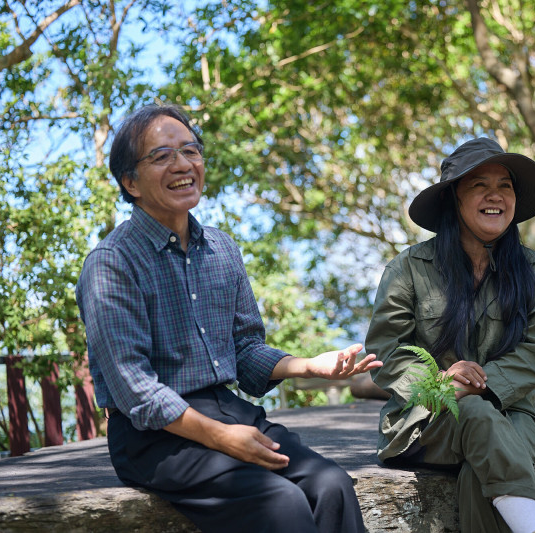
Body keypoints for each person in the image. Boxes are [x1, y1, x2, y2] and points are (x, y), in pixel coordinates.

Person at [75, 103, 381, 533]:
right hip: (153, 439)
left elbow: (245, 351)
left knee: (331, 485)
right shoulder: (111, 263)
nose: (182, 164)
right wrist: (220, 437)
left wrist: (310, 365)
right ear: (130, 182)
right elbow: (135, 390)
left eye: (191, 151)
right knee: (282, 503)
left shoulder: (221, 249)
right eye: (162, 156)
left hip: (229, 411)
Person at [365, 137, 535, 533]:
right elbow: (386, 351)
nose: (496, 196)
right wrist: (440, 384)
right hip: (429, 420)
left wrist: (482, 386)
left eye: (505, 186)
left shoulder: (533, 270)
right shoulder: (409, 268)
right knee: (471, 412)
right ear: (454, 197)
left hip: (516, 415)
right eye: (479, 185)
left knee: (481, 467)